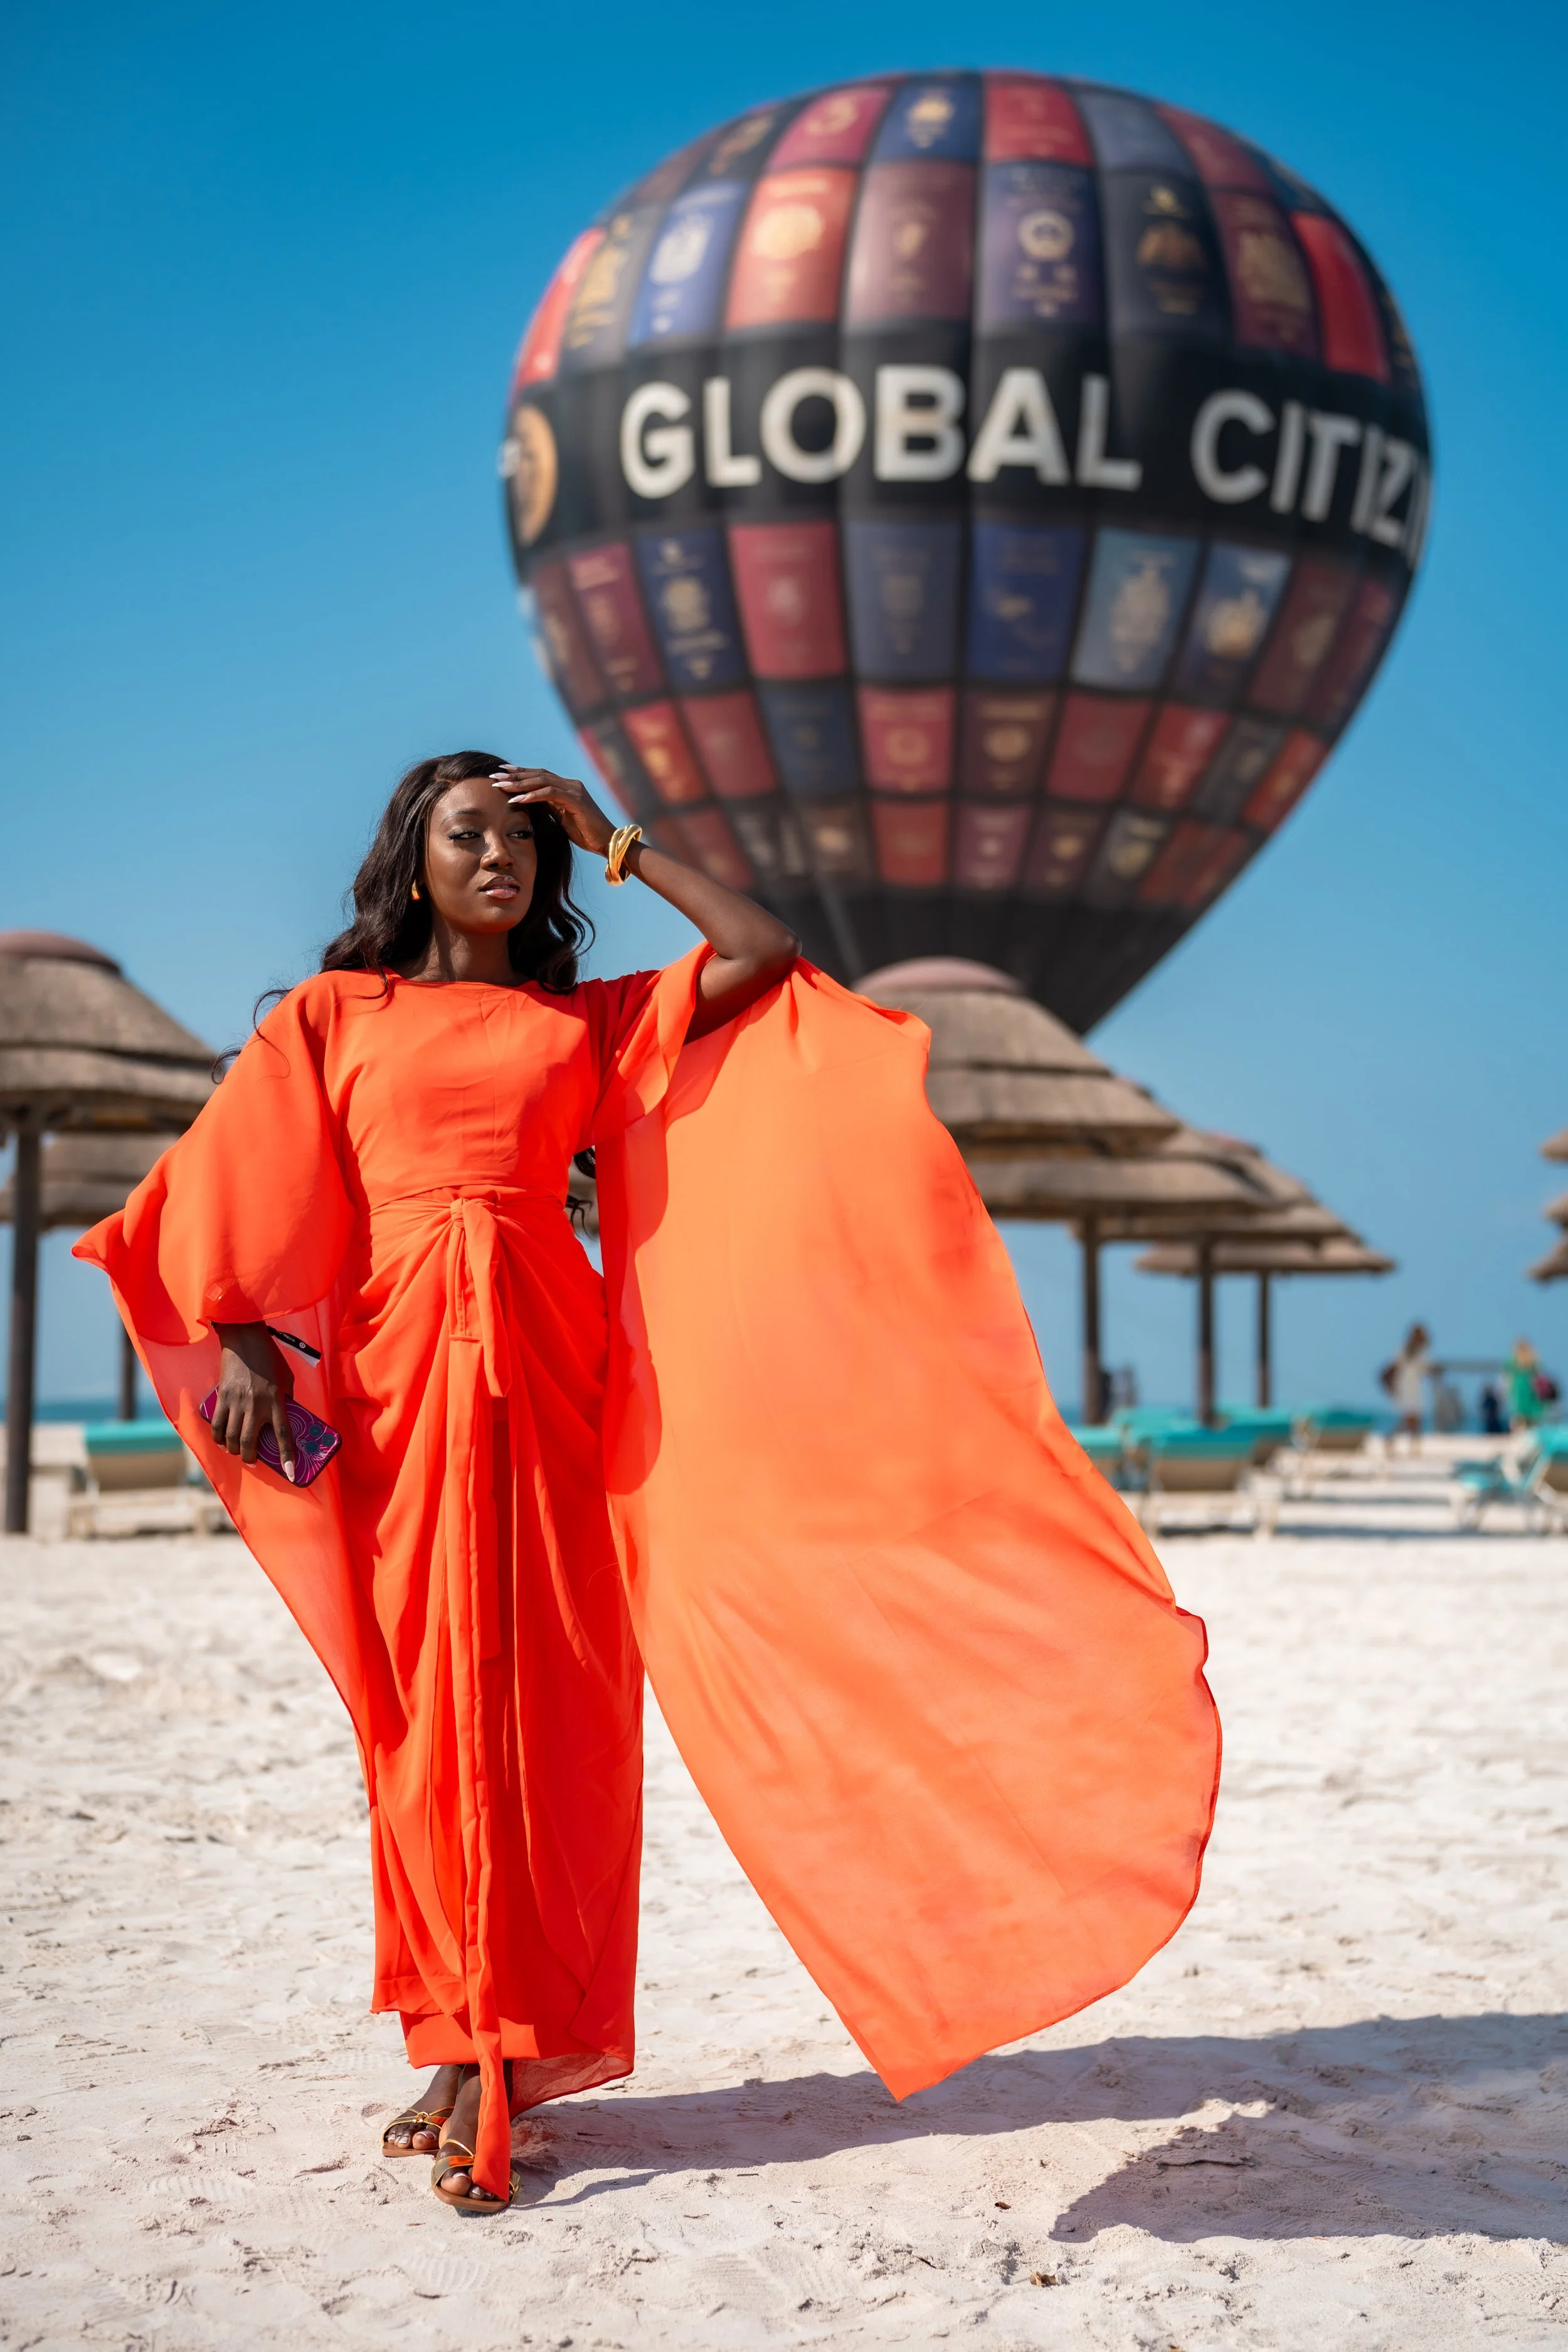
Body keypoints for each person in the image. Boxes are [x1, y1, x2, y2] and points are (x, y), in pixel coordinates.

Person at [78, 751, 1220, 2215]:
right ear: (408, 861)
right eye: (467, 833)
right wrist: (239, 1337)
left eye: (518, 837)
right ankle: (460, 2035)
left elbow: (757, 949)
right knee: (429, 1716)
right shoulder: (329, 1016)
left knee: (550, 1714)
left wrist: (609, 833)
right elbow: (221, 1185)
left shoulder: (590, 1022)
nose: (499, 856)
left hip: (557, 1377)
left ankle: (507, 2055)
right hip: (403, 1378)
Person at [1381, 1322, 1431, 1454]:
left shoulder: (1416, 1351)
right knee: (1410, 1419)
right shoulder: (1405, 1350)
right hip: (1406, 1388)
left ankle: (1408, 1444)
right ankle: (1398, 1440)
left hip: (1413, 1388)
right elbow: (1398, 1367)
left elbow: (1422, 1370)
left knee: (1414, 1419)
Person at [1505, 1338, 1555, 1431]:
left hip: (1521, 1390)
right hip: (1531, 1390)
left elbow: (1509, 1378)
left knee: (1520, 1415)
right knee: (1532, 1418)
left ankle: (1521, 1434)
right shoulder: (1533, 1360)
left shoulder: (1514, 1362)